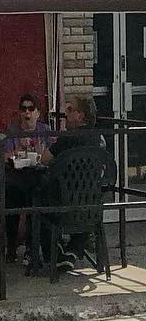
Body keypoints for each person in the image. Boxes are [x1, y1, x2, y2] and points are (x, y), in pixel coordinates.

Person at [37, 94, 105, 268]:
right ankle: (74, 249)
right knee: (79, 202)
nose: (65, 114)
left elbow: (44, 159)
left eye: (69, 109)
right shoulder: (99, 139)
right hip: (91, 206)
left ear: (80, 115)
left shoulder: (68, 138)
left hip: (63, 207)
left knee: (38, 198)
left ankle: (54, 253)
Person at [0, 92, 53, 261]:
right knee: (10, 199)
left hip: (38, 177)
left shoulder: (44, 130)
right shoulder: (13, 131)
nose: (27, 113)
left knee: (37, 199)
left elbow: (52, 154)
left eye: (31, 109)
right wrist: (18, 150)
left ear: (38, 113)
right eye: (23, 109)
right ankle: (11, 247)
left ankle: (32, 248)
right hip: (17, 178)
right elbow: (4, 156)